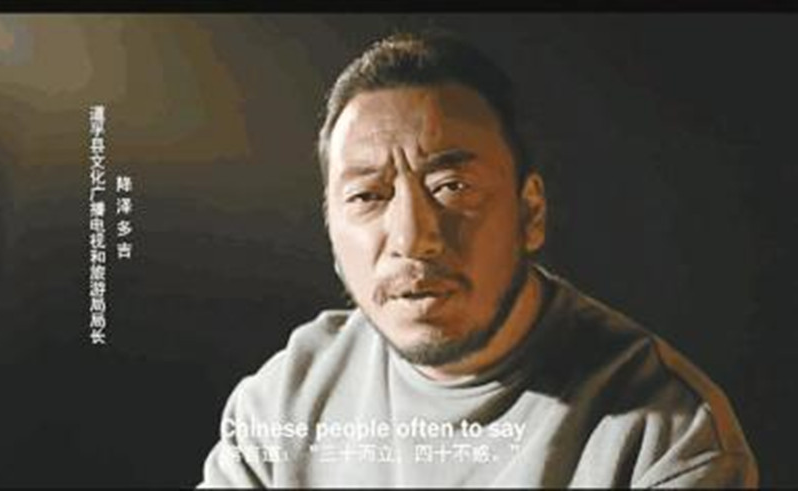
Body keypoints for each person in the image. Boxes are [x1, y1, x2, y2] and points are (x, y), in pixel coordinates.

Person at [198, 31, 758, 488]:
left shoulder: (667, 437)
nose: (413, 238)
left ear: (530, 212)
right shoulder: (282, 405)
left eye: (452, 187)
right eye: (368, 195)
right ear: (330, 230)